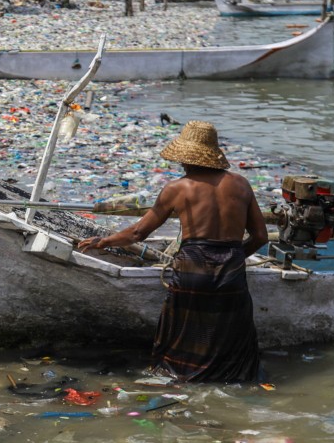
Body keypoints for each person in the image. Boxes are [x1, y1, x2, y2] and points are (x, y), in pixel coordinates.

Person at [78, 121, 268, 382]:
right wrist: (231, 260)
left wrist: (104, 241)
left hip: (191, 268)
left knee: (180, 332)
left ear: (184, 158)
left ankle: (180, 379)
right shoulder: (241, 184)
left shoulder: (177, 189)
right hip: (231, 271)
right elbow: (260, 237)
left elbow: (137, 234)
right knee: (231, 334)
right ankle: (231, 380)